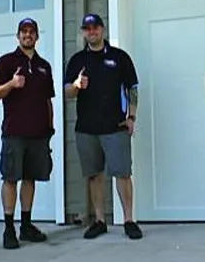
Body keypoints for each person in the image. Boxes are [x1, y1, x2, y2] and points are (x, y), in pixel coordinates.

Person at [64, 13, 143, 240]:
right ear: (83, 32)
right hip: (86, 129)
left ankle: (129, 220)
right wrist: (77, 85)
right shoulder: (78, 60)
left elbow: (133, 89)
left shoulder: (119, 57)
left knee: (123, 174)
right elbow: (67, 91)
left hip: (116, 127)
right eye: (87, 28)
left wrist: (132, 117)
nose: (92, 32)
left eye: (95, 27)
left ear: (103, 30)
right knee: (94, 175)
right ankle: (99, 220)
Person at [0, 17, 56, 249]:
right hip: (14, 132)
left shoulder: (44, 66)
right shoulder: (6, 62)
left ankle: (26, 226)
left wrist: (50, 128)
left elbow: (48, 100)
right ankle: (9, 228)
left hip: (39, 134)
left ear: (37, 36)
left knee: (30, 178)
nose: (28, 35)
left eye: (32, 32)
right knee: (10, 178)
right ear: (18, 36)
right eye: (23, 31)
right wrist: (11, 84)